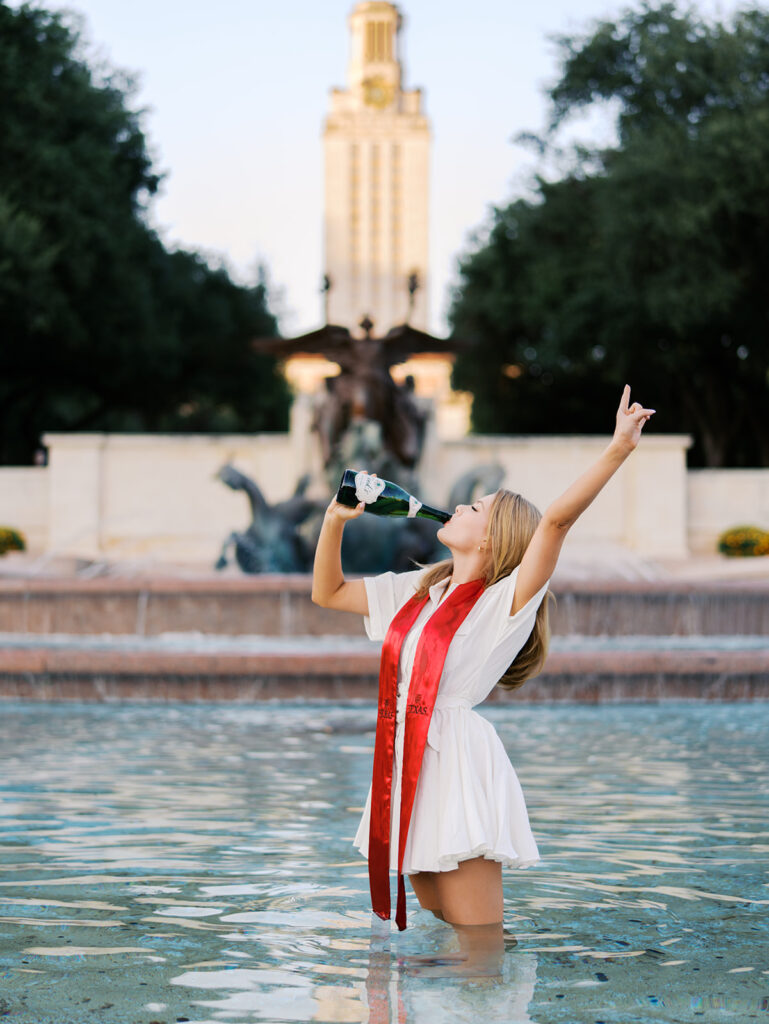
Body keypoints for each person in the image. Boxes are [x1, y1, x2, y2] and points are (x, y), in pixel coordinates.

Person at [311, 385, 655, 957]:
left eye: (477, 507)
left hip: (456, 762)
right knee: (441, 922)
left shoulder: (504, 603)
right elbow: (329, 592)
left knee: (478, 944)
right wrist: (334, 521)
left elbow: (555, 525)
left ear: (495, 538)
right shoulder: (422, 589)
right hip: (403, 757)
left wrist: (618, 449)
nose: (461, 506)